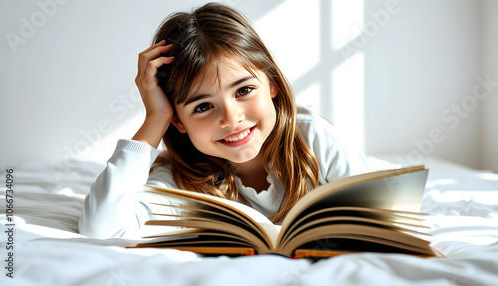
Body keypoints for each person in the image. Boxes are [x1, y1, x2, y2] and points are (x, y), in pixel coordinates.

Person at [79, 2, 371, 239]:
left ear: (272, 85)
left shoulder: (312, 137)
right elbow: (102, 229)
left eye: (244, 90)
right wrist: (157, 117)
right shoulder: (183, 178)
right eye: (203, 106)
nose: (231, 119)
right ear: (178, 121)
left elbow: (379, 215)